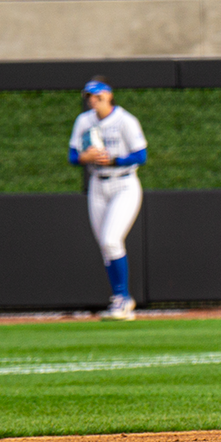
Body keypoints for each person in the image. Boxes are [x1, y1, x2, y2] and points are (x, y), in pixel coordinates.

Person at [69, 78, 148, 321]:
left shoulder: (125, 120)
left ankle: (123, 298)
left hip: (124, 182)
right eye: (89, 97)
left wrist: (114, 160)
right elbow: (73, 155)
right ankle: (120, 299)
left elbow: (141, 155)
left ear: (108, 95)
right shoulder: (84, 121)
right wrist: (86, 157)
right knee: (106, 246)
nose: (93, 100)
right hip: (98, 183)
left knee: (111, 239)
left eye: (97, 95)